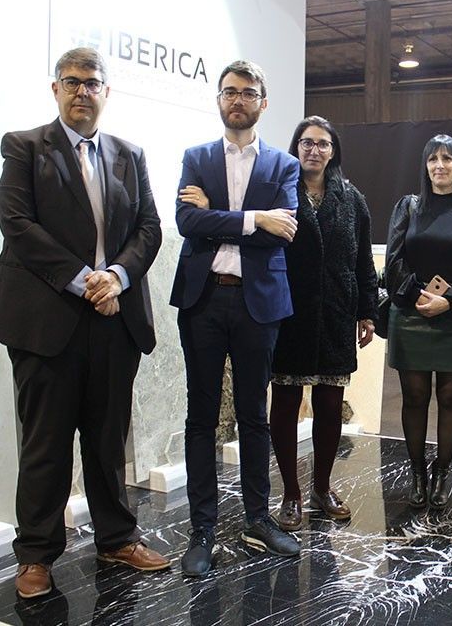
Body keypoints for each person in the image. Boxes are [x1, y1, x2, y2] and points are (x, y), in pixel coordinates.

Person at [0, 47, 168, 600]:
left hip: (115, 319)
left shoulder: (129, 154)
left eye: (92, 83)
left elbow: (149, 227)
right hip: (47, 321)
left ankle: (117, 538)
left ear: (106, 91)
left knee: (108, 439)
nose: (82, 91)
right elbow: (16, 223)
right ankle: (36, 555)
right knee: (46, 442)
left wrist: (117, 277)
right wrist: (86, 280)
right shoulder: (24, 147)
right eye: (72, 82)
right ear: (55, 89)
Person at [170, 60, 301, 575]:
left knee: (253, 416)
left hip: (257, 304)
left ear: (262, 102)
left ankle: (258, 519)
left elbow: (282, 232)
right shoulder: (196, 157)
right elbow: (187, 221)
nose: (238, 99)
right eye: (229, 91)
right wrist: (254, 218)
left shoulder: (283, 165)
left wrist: (219, 217)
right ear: (219, 99)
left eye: (247, 92)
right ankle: (202, 530)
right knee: (201, 417)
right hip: (203, 300)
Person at [268, 116, 378, 531]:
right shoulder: (279, 193)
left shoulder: (352, 199)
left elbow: (363, 261)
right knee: (285, 402)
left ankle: (322, 487)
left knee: (331, 405)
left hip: (335, 312)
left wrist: (367, 311)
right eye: (307, 142)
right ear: (296, 148)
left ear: (333, 151)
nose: (314, 150)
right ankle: (291, 494)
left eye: (322, 144)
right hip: (289, 314)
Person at [385, 134, 452, 510]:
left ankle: (442, 473)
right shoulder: (408, 206)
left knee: (450, 398)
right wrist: (417, 295)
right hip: (409, 315)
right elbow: (394, 260)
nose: (440, 165)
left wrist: (449, 300)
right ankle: (417, 473)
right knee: (414, 398)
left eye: (447, 158)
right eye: (433, 159)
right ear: (425, 165)